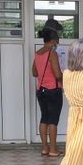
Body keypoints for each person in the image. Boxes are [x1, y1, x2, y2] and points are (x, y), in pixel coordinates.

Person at [32, 28, 63, 157]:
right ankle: (53, 149)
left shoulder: (38, 53)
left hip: (41, 90)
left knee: (44, 117)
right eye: (57, 41)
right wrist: (64, 76)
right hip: (53, 90)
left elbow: (34, 73)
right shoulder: (52, 53)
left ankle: (44, 148)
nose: (57, 44)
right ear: (54, 41)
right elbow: (57, 74)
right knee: (53, 120)